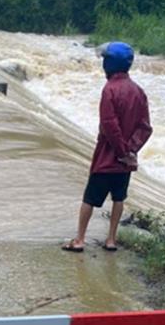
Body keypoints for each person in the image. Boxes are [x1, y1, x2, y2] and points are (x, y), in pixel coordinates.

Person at [63, 41, 152, 252]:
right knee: (119, 197)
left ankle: (80, 240)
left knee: (89, 198)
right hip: (126, 160)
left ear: (109, 64)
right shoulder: (138, 91)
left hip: (107, 157)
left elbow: (109, 125)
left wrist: (120, 151)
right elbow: (145, 127)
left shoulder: (109, 89)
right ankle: (111, 240)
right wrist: (131, 150)